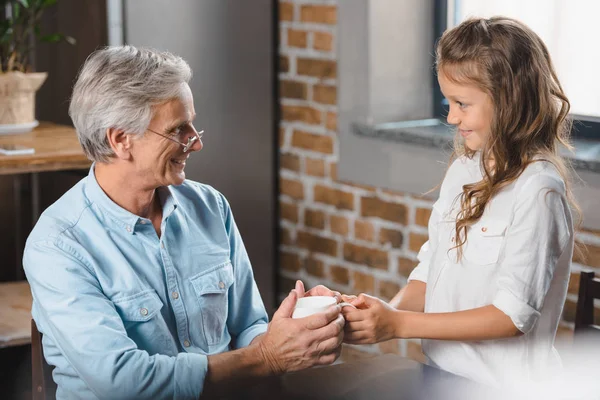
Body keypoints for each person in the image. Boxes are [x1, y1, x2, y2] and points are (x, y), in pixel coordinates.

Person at [23, 46, 344, 399]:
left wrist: (294, 331)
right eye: (178, 129)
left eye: (192, 123)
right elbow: (125, 383)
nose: (197, 142)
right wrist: (265, 357)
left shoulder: (210, 206)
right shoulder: (57, 245)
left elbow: (249, 326)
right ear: (120, 140)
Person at [341, 17, 578, 387]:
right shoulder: (464, 172)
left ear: (508, 101)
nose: (451, 117)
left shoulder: (539, 191)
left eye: (462, 104)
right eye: (448, 101)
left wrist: (398, 325)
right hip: (440, 377)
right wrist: (382, 312)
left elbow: (511, 318)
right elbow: (429, 269)